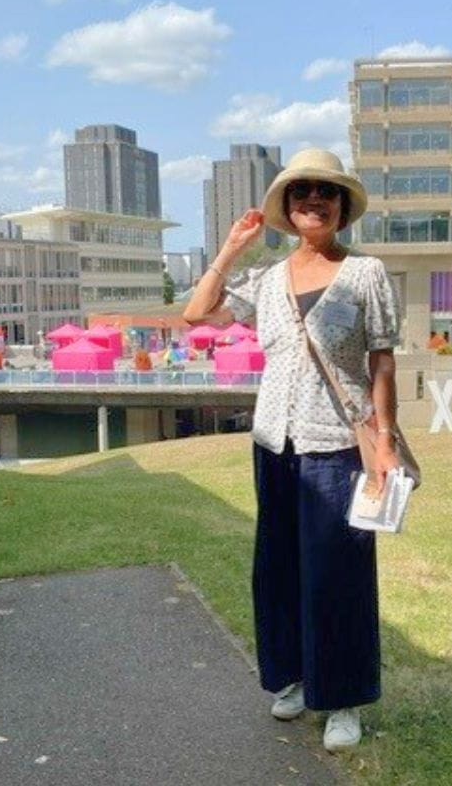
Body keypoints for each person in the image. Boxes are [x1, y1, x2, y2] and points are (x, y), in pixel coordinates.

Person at [181, 148, 400, 753]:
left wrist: (384, 440)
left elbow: (382, 361)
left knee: (339, 574)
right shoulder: (268, 279)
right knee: (278, 568)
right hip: (273, 442)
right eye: (302, 191)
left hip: (337, 446)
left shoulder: (366, 274)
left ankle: (344, 698)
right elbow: (196, 312)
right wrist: (230, 251)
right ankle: (297, 678)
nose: (314, 201)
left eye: (327, 193)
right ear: (287, 206)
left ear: (342, 209)